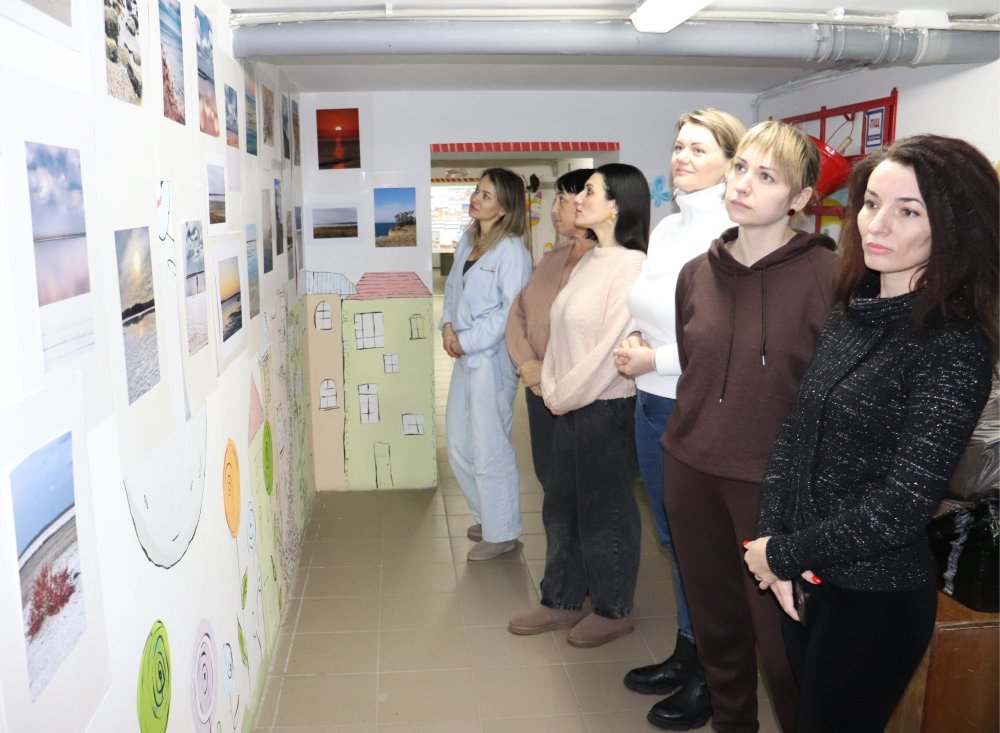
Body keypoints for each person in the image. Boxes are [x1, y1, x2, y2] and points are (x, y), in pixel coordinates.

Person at [744, 134, 997, 733]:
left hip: (873, 599)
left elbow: (902, 506)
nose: (875, 224)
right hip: (807, 575)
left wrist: (780, 554)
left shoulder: (953, 344)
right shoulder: (853, 310)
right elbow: (795, 434)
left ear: (955, 227)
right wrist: (776, 546)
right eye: (871, 203)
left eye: (908, 211)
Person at [660, 120, 837, 732]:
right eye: (740, 168)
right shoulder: (696, 273)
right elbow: (695, 364)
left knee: (784, 651)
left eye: (766, 176)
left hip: (773, 486)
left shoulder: (829, 277)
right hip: (690, 472)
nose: (742, 185)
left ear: (798, 198)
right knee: (718, 633)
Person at [614, 109, 746, 725]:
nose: (682, 158)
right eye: (678, 146)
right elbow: (653, 305)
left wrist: (655, 358)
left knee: (704, 545)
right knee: (673, 538)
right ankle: (688, 653)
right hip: (652, 400)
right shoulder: (669, 228)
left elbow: (730, 338)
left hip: (695, 403)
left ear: (732, 162)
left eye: (698, 148)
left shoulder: (732, 231)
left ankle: (714, 679)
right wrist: (639, 344)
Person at [507, 163, 648, 647]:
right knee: (561, 506)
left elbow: (610, 352)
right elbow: (559, 333)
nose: (576, 201)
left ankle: (613, 610)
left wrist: (559, 394)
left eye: (588, 192)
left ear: (616, 206)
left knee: (605, 512)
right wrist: (552, 387)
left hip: (605, 408)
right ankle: (561, 600)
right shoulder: (589, 261)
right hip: (567, 404)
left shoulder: (632, 266)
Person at [440, 168, 532, 561]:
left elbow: (511, 312)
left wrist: (468, 340)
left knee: (490, 446)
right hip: (465, 355)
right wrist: (447, 327)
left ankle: (502, 532)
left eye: (487, 195)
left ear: (505, 208)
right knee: (458, 443)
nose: (475, 199)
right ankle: (489, 516)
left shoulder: (512, 251)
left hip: (492, 361)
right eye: (477, 191)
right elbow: (452, 290)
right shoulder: (468, 241)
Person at [505, 168, 596, 490]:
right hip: (537, 387)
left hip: (581, 393)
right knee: (549, 475)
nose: (554, 210)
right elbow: (518, 312)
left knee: (584, 482)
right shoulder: (552, 258)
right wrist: (528, 365)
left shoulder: (609, 263)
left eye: (562, 200)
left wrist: (548, 372)